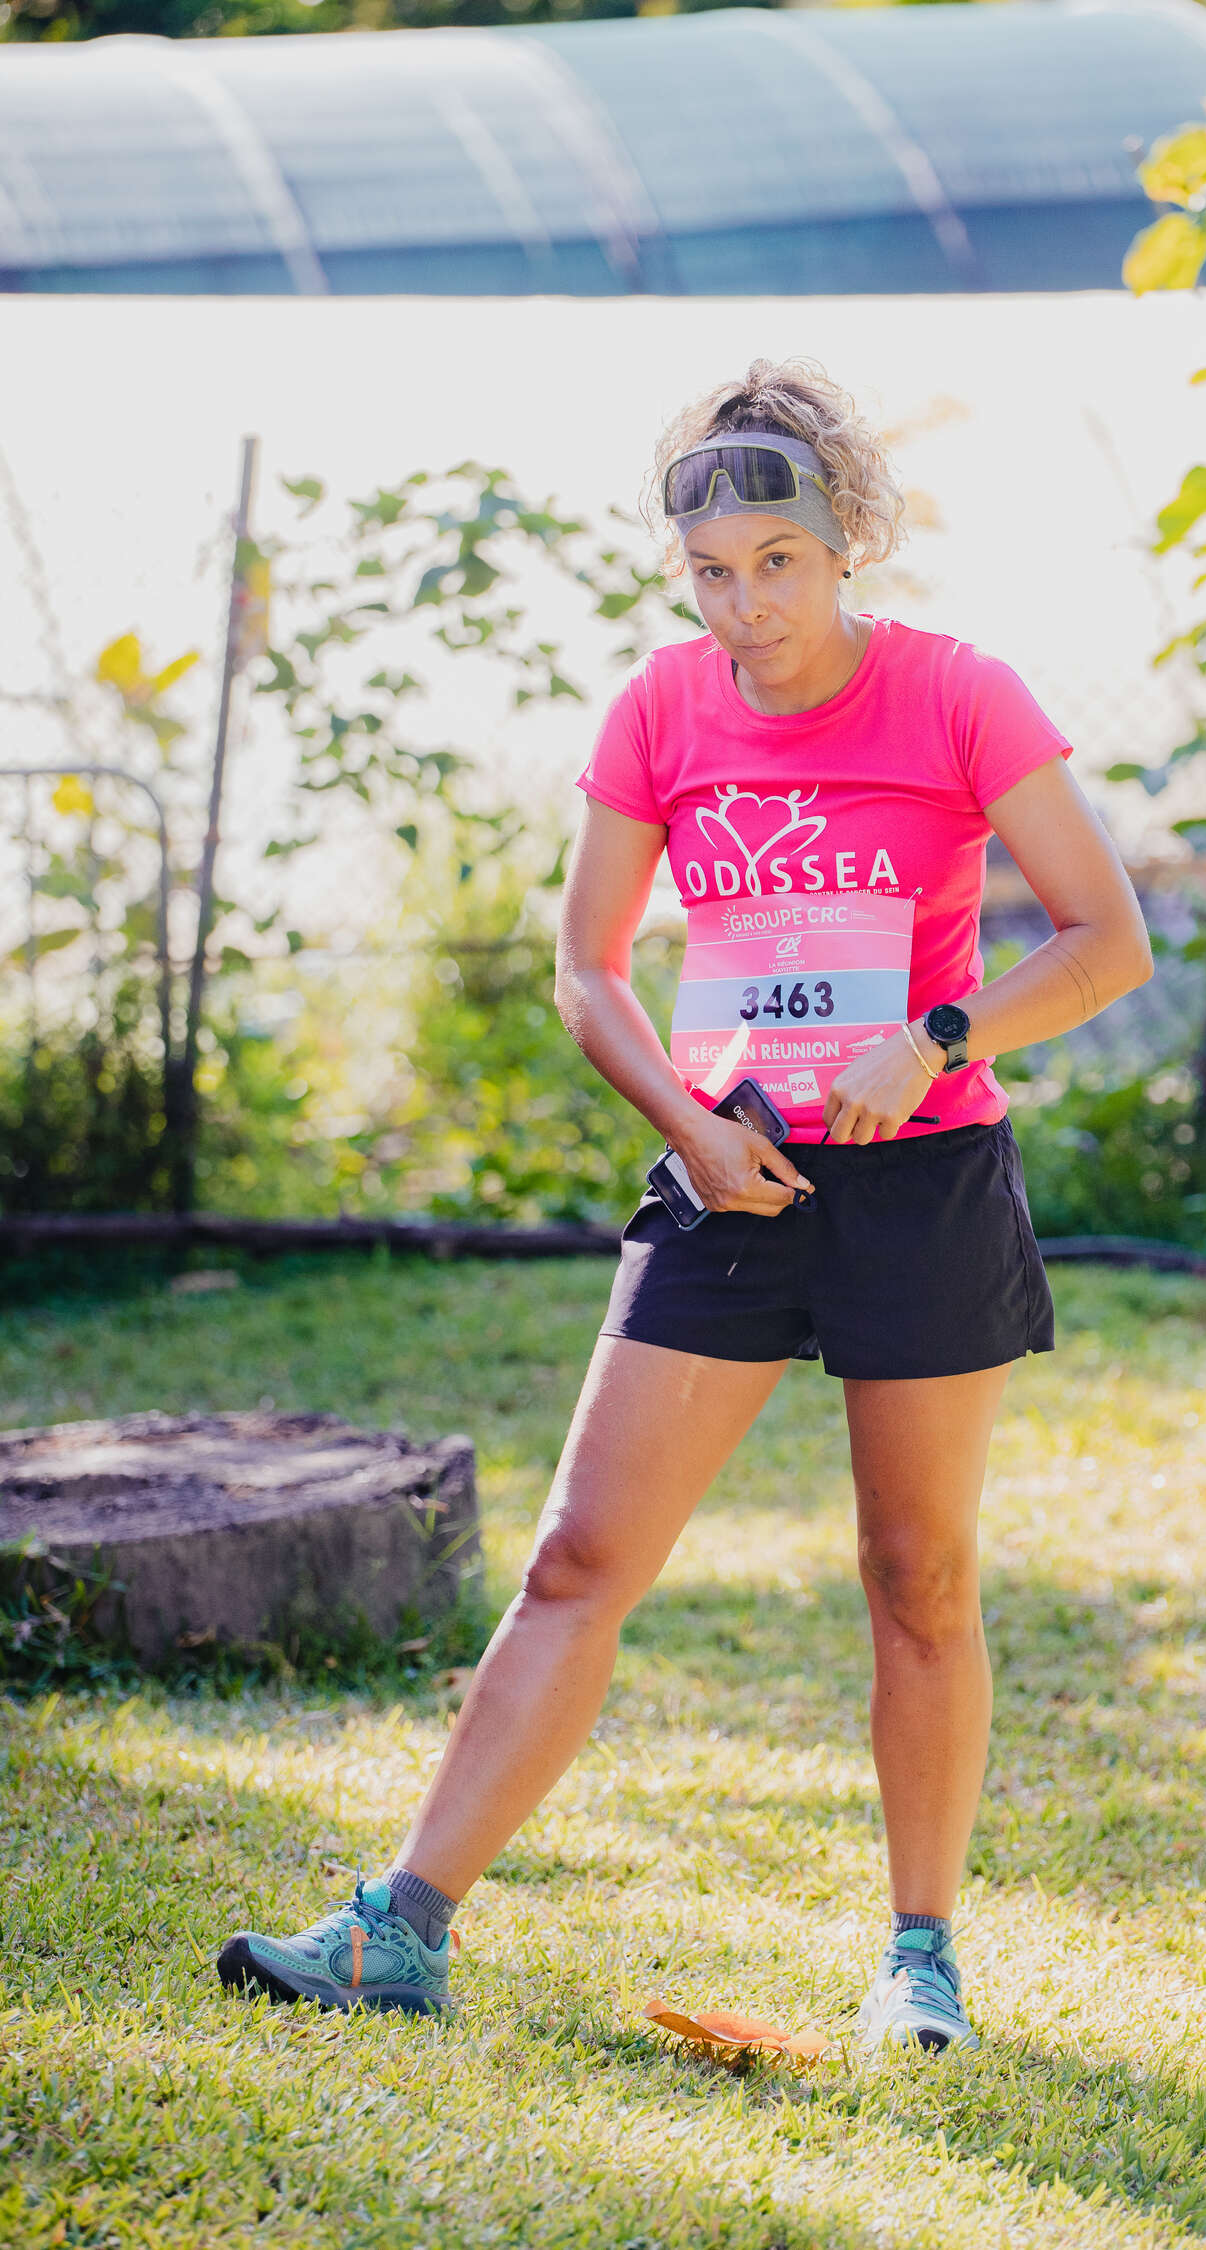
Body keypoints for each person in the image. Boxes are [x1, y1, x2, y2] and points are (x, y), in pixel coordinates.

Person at [218, 355, 1153, 2051]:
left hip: (923, 1180)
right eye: (712, 572)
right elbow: (588, 967)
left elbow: (1108, 939)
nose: (747, 606)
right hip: (729, 1174)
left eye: (777, 564)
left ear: (848, 538)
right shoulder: (660, 709)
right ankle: (399, 1928)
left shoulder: (959, 694)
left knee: (915, 1572)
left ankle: (920, 1958)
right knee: (579, 1555)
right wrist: (689, 1126)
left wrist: (935, 1036)